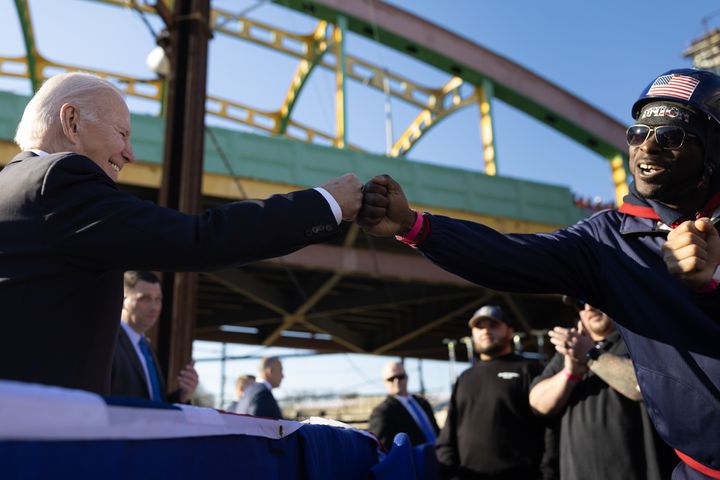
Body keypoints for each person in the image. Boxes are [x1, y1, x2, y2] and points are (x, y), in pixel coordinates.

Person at [359, 68, 720, 478]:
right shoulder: (607, 242)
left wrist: (712, 284)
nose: (647, 148)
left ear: (712, 149)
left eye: (671, 136)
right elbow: (509, 256)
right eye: (637, 134)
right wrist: (415, 226)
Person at [0, 72, 362, 396]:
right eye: (122, 134)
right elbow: (199, 238)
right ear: (72, 121)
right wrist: (325, 202)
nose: (130, 154)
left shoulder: (11, 185)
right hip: (41, 441)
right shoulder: (61, 180)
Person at [529, 302, 674, 480]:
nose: (590, 307)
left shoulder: (639, 341)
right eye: (581, 304)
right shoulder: (568, 353)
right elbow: (538, 404)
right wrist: (570, 374)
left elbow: (644, 387)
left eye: (595, 299)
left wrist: (590, 355)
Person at [435, 305, 544, 480]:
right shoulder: (465, 378)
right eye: (479, 327)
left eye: (493, 325)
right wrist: (451, 475)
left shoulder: (529, 369)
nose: (486, 331)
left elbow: (549, 429)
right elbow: (447, 438)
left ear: (510, 331)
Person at [110, 271, 198, 403]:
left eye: (158, 299)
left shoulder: (146, 348)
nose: (154, 307)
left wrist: (182, 396)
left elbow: (154, 405)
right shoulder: (110, 345)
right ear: (122, 301)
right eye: (145, 298)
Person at [368, 361, 439, 450]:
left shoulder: (422, 403)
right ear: (385, 382)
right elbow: (381, 446)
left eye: (400, 377)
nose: (397, 381)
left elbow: (436, 431)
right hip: (414, 461)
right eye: (391, 379)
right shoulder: (382, 412)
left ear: (406, 377)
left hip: (439, 457)